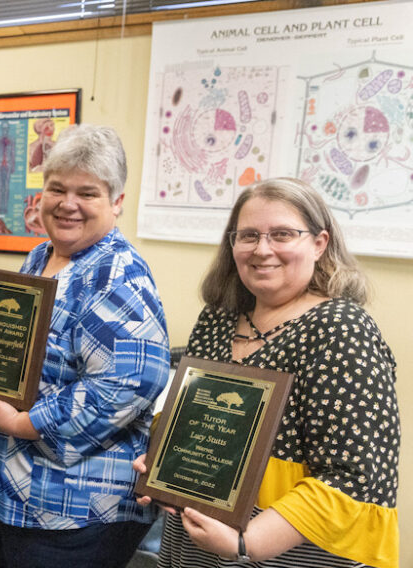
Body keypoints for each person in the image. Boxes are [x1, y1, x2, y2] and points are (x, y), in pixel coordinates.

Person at [135, 177, 400, 568]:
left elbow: (355, 475)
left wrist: (247, 543)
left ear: (319, 243)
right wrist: (161, 462)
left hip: (283, 552)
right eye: (248, 236)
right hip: (195, 543)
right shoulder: (218, 318)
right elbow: (191, 418)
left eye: (282, 234)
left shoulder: (341, 329)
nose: (262, 249)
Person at [0, 124, 171, 568]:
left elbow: (129, 383)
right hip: (12, 493)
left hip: (71, 508)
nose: (68, 204)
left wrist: (25, 423)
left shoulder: (117, 275)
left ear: (116, 203)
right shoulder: (40, 256)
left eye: (87, 193)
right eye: (57, 188)